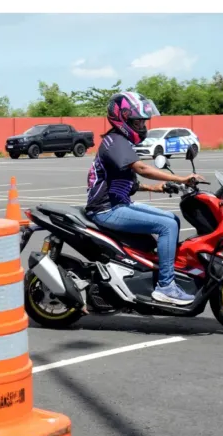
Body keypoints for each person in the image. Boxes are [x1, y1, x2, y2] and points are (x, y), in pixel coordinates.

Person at [85, 91, 205, 306]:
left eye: (143, 121)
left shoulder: (120, 142)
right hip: (106, 210)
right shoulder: (115, 142)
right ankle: (165, 286)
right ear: (122, 119)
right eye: (137, 121)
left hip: (119, 204)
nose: (142, 125)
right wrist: (181, 178)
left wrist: (156, 188)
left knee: (172, 219)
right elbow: (142, 169)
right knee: (167, 226)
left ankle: (160, 267)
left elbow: (124, 183)